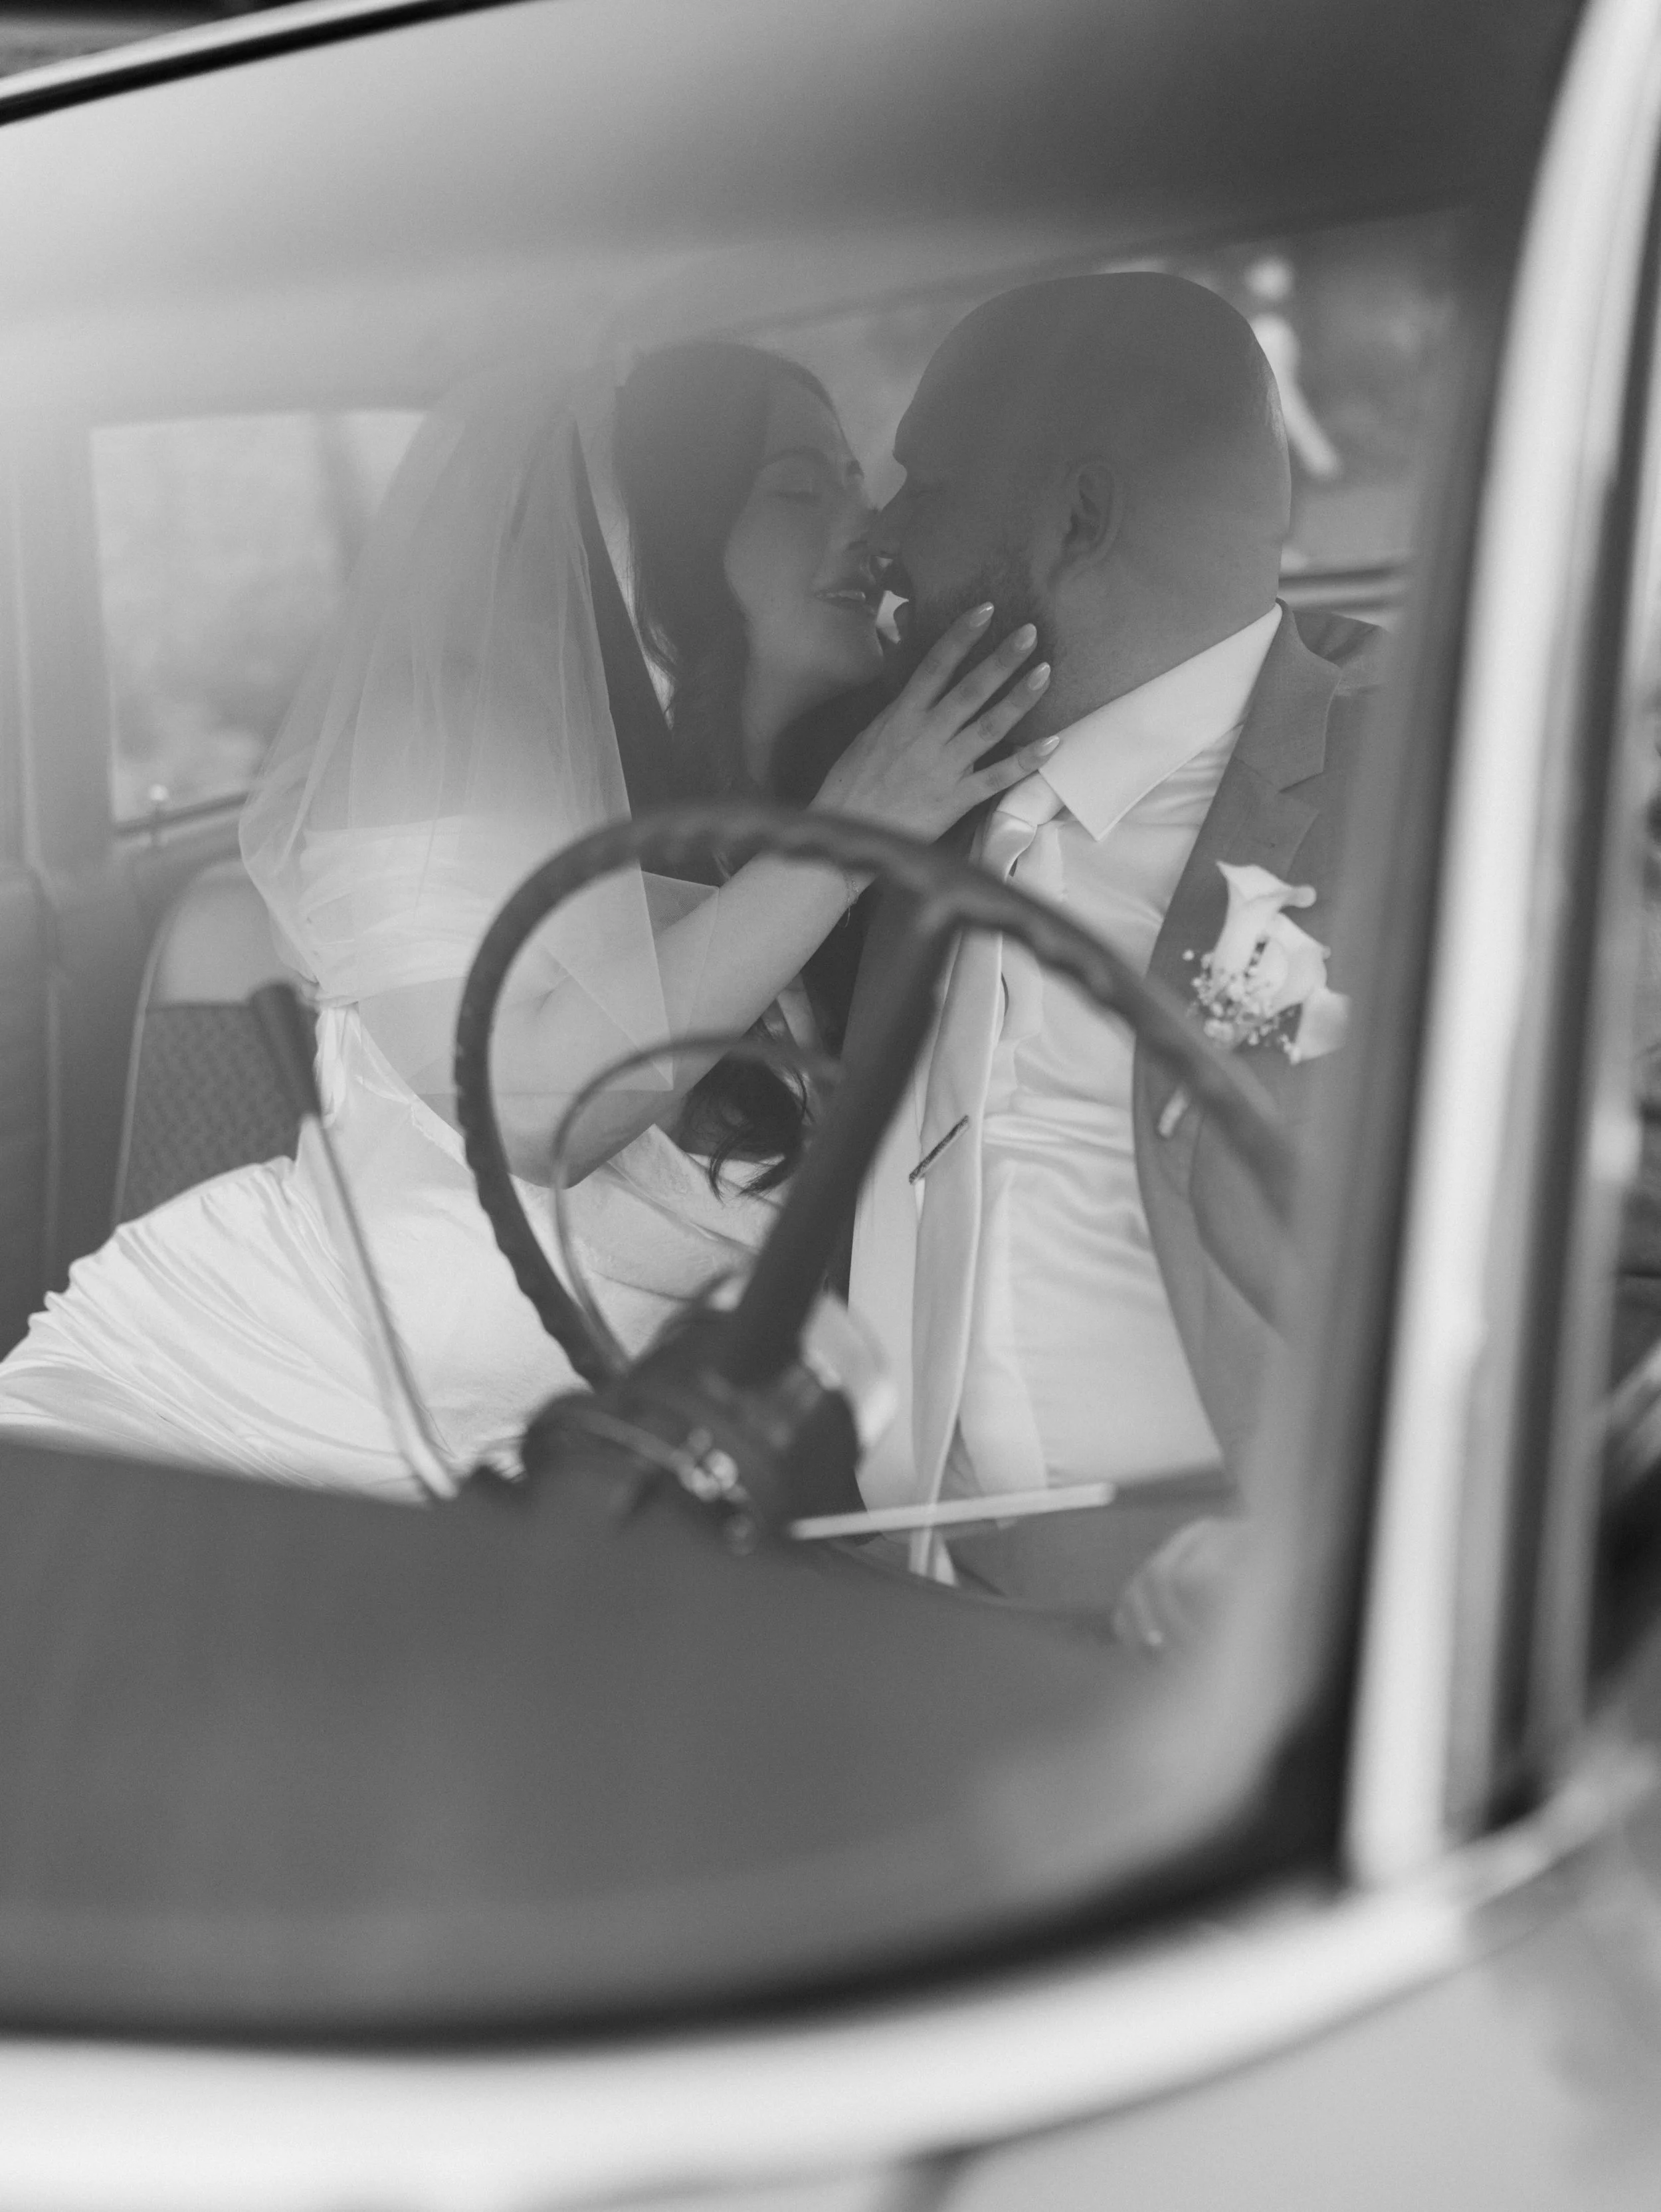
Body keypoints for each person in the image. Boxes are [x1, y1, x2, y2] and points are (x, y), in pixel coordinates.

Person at [0, 342, 1052, 1495]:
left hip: (577, 1503)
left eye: (858, 479)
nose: (866, 522)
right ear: (649, 549)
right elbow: (539, 1112)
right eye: (801, 487)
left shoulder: (845, 827)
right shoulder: (440, 788)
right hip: (239, 1420)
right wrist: (855, 828)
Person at [845, 272, 1381, 1613]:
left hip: (1242, 1627)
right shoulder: (906, 769)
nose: (879, 535)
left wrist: (1341, 1545)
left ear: (1076, 519)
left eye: (923, 485)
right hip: (911, 1596)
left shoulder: (1427, 782)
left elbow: (1615, 1247)